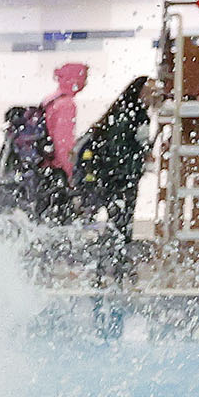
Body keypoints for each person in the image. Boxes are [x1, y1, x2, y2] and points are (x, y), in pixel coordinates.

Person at [73, 76, 153, 283]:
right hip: (119, 180)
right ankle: (114, 268)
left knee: (116, 224)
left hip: (112, 179)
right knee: (120, 225)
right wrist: (126, 174)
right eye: (150, 91)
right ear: (139, 92)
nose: (155, 95)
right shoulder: (134, 115)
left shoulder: (126, 112)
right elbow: (122, 149)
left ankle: (109, 267)